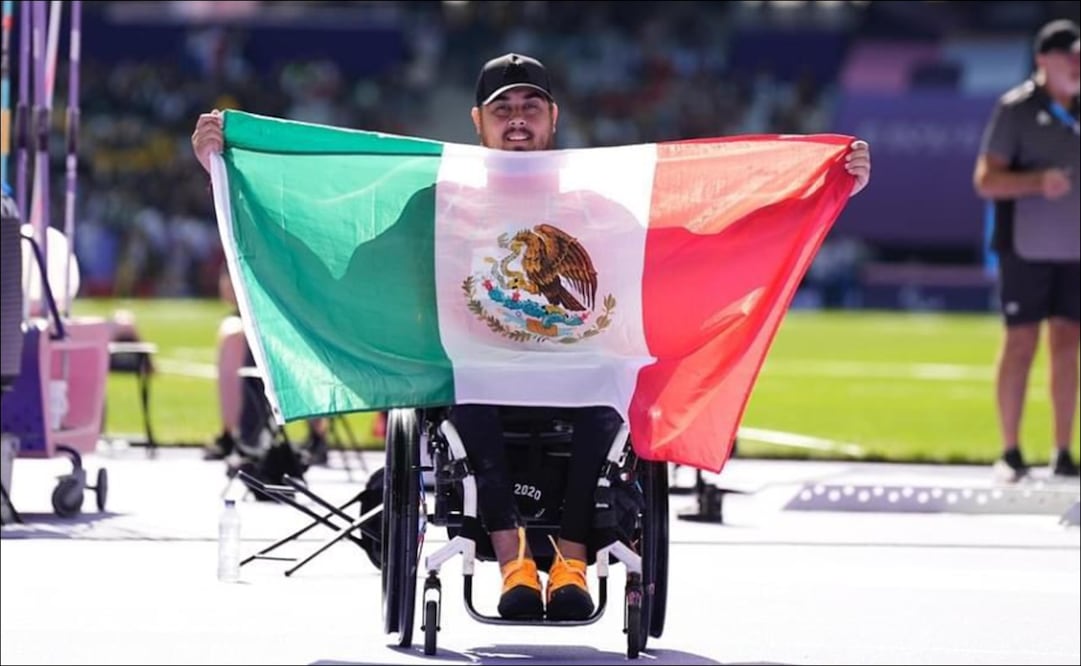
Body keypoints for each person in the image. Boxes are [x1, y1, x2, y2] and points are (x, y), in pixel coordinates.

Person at [191, 52, 872, 620]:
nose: (517, 119)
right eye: (503, 108)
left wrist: (818, 190)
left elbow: (686, 248)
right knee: (470, 383)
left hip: (578, 371)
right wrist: (228, 171)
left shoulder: (593, 201)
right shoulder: (439, 198)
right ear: (478, 121)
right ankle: (514, 561)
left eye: (530, 107)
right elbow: (361, 270)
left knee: (612, 380)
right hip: (473, 370)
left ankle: (571, 562)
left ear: (552, 117)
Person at [973, 19, 1080, 482]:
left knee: (1068, 344)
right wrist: (1038, 182)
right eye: (1069, 55)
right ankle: (1011, 450)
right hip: (1025, 245)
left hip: (1075, 247)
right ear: (1042, 60)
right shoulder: (1015, 109)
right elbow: (985, 180)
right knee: (1021, 342)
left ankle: (1063, 452)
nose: (1077, 64)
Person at [202, 265, 330, 465]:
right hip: (260, 317)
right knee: (234, 335)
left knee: (297, 344)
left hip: (289, 318)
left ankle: (316, 436)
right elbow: (228, 289)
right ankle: (232, 433)